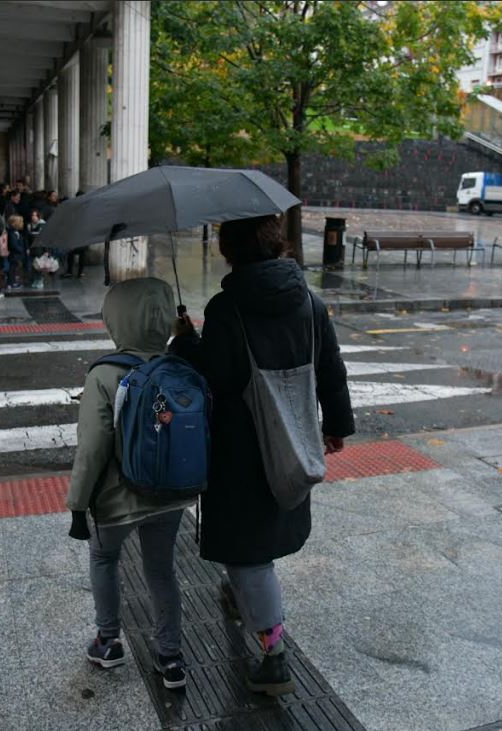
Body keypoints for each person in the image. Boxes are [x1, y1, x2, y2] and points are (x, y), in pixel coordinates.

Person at [169, 214, 354, 697]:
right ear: (277, 244)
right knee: (261, 536)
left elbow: (216, 376)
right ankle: (240, 593)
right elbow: (331, 368)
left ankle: (275, 656)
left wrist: (188, 340)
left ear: (230, 251)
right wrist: (336, 426)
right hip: (291, 436)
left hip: (241, 449)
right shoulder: (309, 301)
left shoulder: (228, 309)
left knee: (250, 553)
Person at [66, 277, 193, 690]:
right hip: (172, 492)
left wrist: (78, 503)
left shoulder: (104, 374)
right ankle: (171, 658)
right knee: (161, 571)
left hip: (117, 498)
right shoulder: (182, 366)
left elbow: (92, 448)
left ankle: (108, 642)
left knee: (105, 559)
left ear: (115, 318)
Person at [5, 214, 25, 290]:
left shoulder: (15, 232)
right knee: (12, 268)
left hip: (15, 254)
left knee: (14, 268)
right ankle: (11, 282)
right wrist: (20, 249)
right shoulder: (13, 233)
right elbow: (14, 244)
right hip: (14, 254)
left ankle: (11, 282)